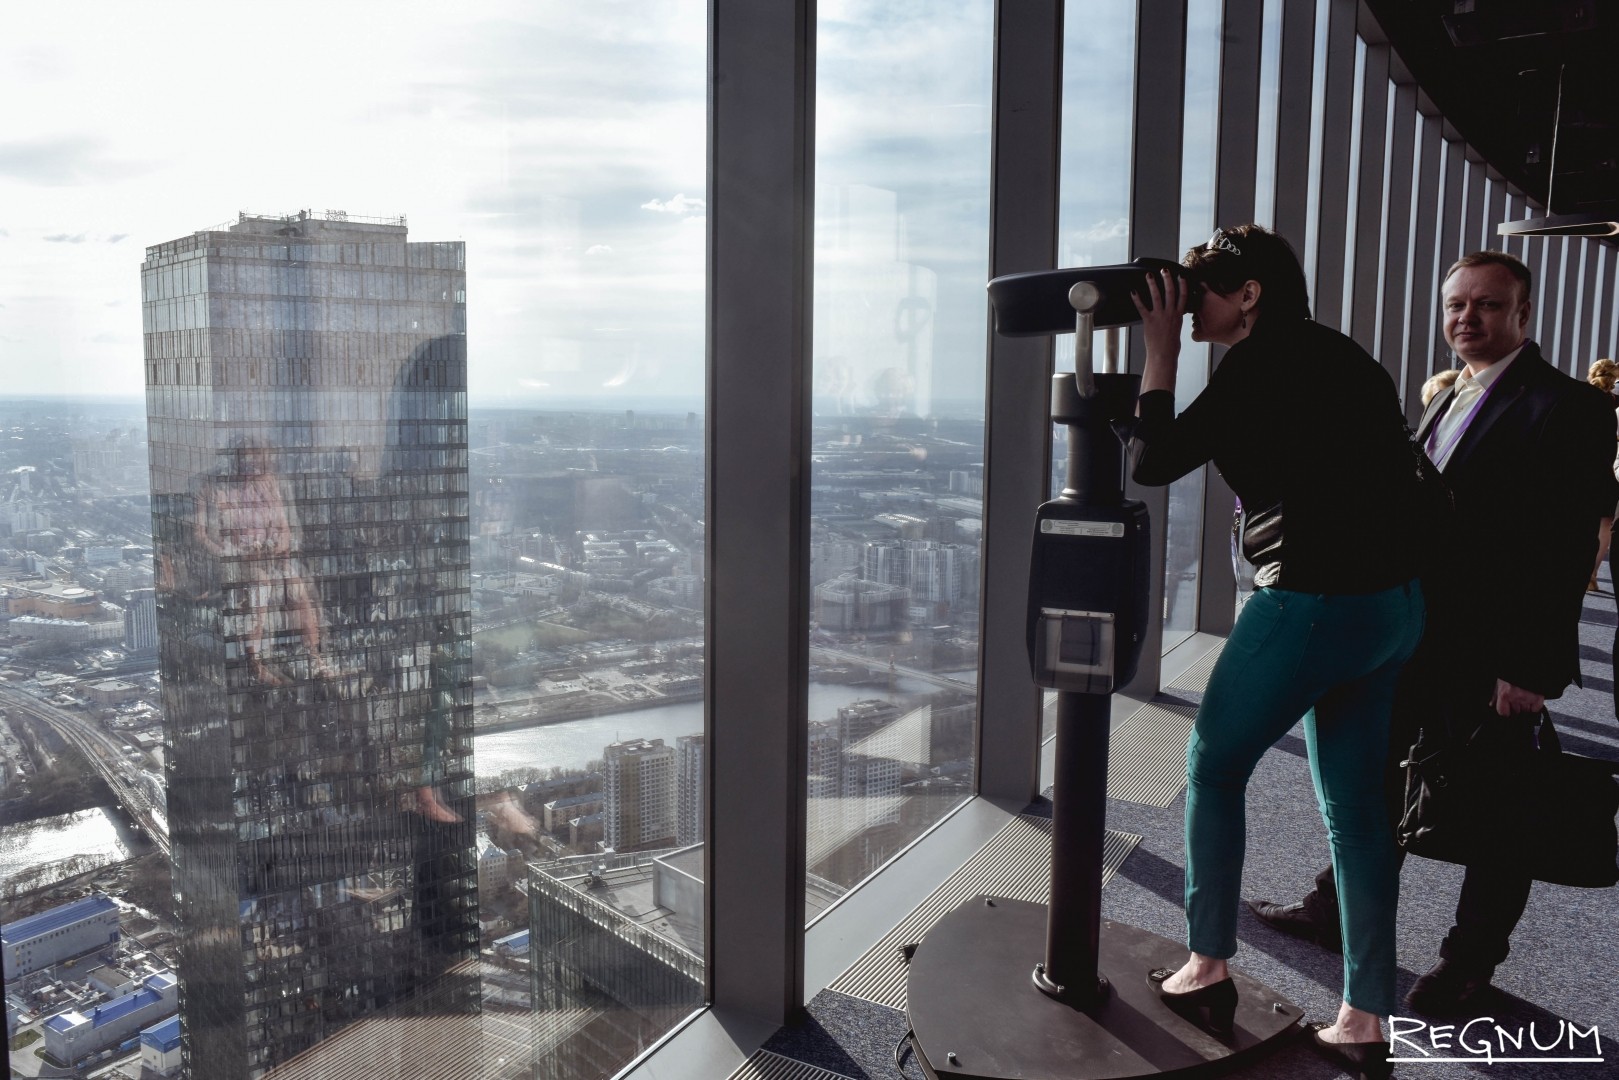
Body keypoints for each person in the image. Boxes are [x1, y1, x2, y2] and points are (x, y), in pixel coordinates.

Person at [1247, 250, 1619, 1016]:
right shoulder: (1446, 395)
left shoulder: (1567, 408)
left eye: (1486, 305)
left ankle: (1468, 960)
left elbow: (1566, 547)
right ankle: (1334, 905)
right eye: (1455, 304)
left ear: (1522, 313)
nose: (1466, 318)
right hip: (1410, 633)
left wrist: (1528, 669)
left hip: (1494, 652)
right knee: (1375, 777)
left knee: (1499, 809)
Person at [1129, 224, 1426, 1073]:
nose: (1186, 312)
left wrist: (1156, 350)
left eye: (1200, 293)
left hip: (1311, 603)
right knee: (1356, 814)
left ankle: (1203, 964)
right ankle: (1363, 1018)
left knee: (1213, 769)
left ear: (1249, 293)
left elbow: (1153, 459)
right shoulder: (1344, 356)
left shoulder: (1259, 366)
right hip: (1391, 608)